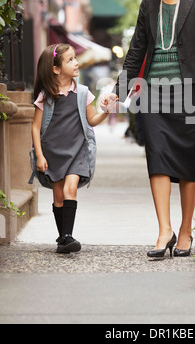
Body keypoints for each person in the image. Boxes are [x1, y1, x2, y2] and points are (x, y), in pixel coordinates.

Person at [101, 0, 195, 258]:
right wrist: (119, 91)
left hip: (187, 90)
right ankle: (164, 229)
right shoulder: (149, 1)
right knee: (156, 156)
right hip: (151, 91)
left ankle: (185, 231)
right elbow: (136, 49)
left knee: (184, 162)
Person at [32, 43, 114, 253]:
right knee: (58, 196)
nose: (76, 62)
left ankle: (67, 236)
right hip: (53, 152)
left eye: (75, 58)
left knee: (70, 189)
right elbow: (35, 127)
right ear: (56, 69)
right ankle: (63, 239)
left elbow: (92, 120)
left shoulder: (83, 92)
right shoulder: (46, 95)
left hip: (77, 150)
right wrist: (40, 156)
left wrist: (105, 111)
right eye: (70, 60)